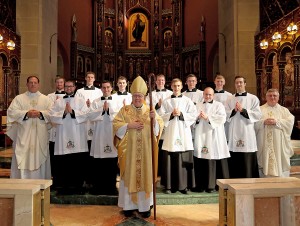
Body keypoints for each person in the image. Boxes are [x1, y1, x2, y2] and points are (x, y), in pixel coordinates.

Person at [113, 76, 164, 218]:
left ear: (144, 97)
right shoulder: (125, 111)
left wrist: (154, 121)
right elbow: (116, 125)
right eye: (135, 95)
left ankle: (144, 206)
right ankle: (128, 206)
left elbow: (158, 129)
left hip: (146, 154)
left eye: (139, 96)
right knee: (129, 175)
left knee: (145, 176)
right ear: (132, 96)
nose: (137, 98)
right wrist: (129, 125)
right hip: (129, 153)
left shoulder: (151, 111)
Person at [7, 76, 52, 179]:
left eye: (35, 82)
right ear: (27, 84)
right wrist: (26, 114)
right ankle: (22, 182)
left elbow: (52, 113)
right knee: (23, 156)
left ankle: (40, 182)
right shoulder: (19, 98)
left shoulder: (46, 99)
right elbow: (11, 112)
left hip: (40, 135)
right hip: (24, 135)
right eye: (30, 82)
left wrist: (40, 113)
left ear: (38, 84)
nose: (33, 84)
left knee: (40, 154)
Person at [49, 80, 90, 194]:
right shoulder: (58, 102)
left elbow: (86, 114)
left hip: (78, 136)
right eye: (66, 86)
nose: (68, 88)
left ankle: (77, 185)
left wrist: (72, 112)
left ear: (74, 87)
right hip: (63, 136)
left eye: (70, 86)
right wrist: (63, 113)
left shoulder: (80, 101)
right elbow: (51, 116)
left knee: (77, 161)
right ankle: (63, 185)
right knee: (64, 162)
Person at [160, 78, 198, 194]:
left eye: (178, 86)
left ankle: (184, 186)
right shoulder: (166, 101)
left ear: (182, 86)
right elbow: (160, 116)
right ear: (171, 86)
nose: (176, 88)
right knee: (170, 156)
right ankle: (169, 186)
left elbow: (194, 114)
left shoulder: (187, 101)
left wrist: (181, 114)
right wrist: (171, 114)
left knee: (183, 156)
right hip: (171, 133)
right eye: (174, 85)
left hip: (183, 132)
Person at [193, 87, 230, 193]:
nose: (208, 96)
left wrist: (207, 118)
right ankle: (200, 185)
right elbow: (192, 119)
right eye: (206, 94)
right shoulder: (198, 105)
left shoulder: (219, 105)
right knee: (201, 158)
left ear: (213, 95)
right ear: (203, 95)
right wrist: (198, 118)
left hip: (213, 135)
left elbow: (222, 118)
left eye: (210, 95)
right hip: (201, 135)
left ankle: (211, 185)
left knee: (211, 158)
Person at [225, 75, 262, 178]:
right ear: (234, 84)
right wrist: (233, 111)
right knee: (234, 156)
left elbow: (258, 114)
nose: (239, 84)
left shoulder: (253, 98)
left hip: (247, 131)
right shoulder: (230, 99)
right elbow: (224, 113)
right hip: (234, 130)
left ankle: (249, 180)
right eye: (237, 82)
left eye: (241, 82)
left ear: (245, 84)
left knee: (247, 156)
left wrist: (243, 110)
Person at [255, 89, 294, 177]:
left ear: (278, 97)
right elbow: (253, 123)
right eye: (270, 95)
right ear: (266, 97)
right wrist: (263, 122)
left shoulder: (284, 110)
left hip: (278, 143)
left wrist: (277, 122)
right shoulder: (259, 110)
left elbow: (290, 122)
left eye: (274, 95)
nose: (272, 97)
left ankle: (281, 179)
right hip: (263, 141)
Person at [88, 81, 119, 195]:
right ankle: (98, 187)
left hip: (111, 134)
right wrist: (102, 110)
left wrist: (109, 111)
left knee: (111, 162)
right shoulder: (96, 102)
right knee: (99, 162)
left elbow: (120, 116)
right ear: (101, 89)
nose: (106, 90)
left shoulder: (117, 101)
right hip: (99, 135)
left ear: (111, 88)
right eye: (104, 87)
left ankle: (111, 187)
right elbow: (90, 115)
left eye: (108, 87)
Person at [146, 74, 172, 177]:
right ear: (155, 82)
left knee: (166, 147)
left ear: (165, 82)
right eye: (158, 80)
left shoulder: (170, 94)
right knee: (157, 147)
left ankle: (165, 172)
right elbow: (147, 108)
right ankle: (156, 171)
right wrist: (157, 106)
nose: (160, 82)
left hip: (168, 124)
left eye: (162, 80)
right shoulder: (150, 94)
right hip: (155, 124)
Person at [47, 76, 65, 188]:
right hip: (53, 129)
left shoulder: (70, 96)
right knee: (53, 154)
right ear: (55, 83)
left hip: (64, 129)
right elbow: (49, 111)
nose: (59, 84)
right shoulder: (49, 96)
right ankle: (54, 177)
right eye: (57, 82)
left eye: (61, 82)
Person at [213, 74, 232, 139]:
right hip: (213, 119)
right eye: (218, 81)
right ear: (214, 82)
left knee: (224, 137)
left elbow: (230, 108)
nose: (219, 83)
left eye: (221, 81)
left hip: (225, 119)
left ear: (224, 83)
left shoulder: (229, 95)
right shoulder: (210, 94)